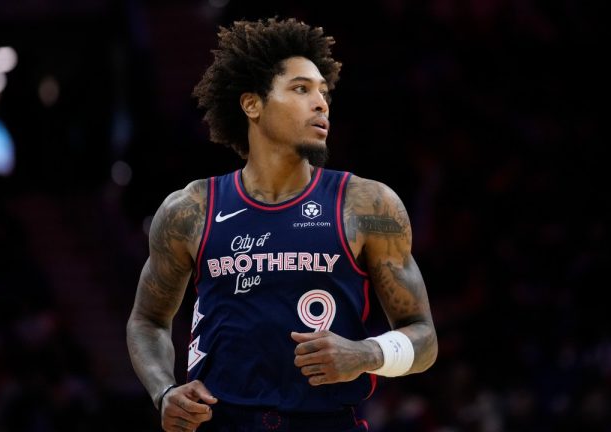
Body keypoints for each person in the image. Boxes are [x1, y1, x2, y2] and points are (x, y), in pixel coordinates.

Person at [127, 17, 438, 432]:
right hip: (222, 422)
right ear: (252, 104)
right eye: (301, 89)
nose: (321, 103)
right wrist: (164, 391)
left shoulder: (367, 205)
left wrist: (367, 353)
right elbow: (147, 321)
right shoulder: (190, 210)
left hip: (327, 422)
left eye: (323, 93)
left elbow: (424, 338)